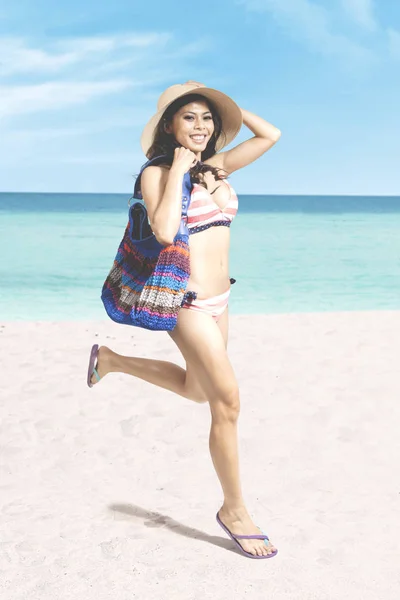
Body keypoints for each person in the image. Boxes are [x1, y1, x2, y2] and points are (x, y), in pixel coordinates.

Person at [87, 81, 281, 558]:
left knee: (198, 390)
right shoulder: (157, 172)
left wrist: (226, 103)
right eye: (190, 117)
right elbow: (164, 227)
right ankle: (234, 509)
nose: (201, 126)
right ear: (170, 126)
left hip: (222, 300)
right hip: (186, 302)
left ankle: (112, 361)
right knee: (228, 403)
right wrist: (176, 168)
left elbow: (270, 135)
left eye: (208, 118)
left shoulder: (216, 165)